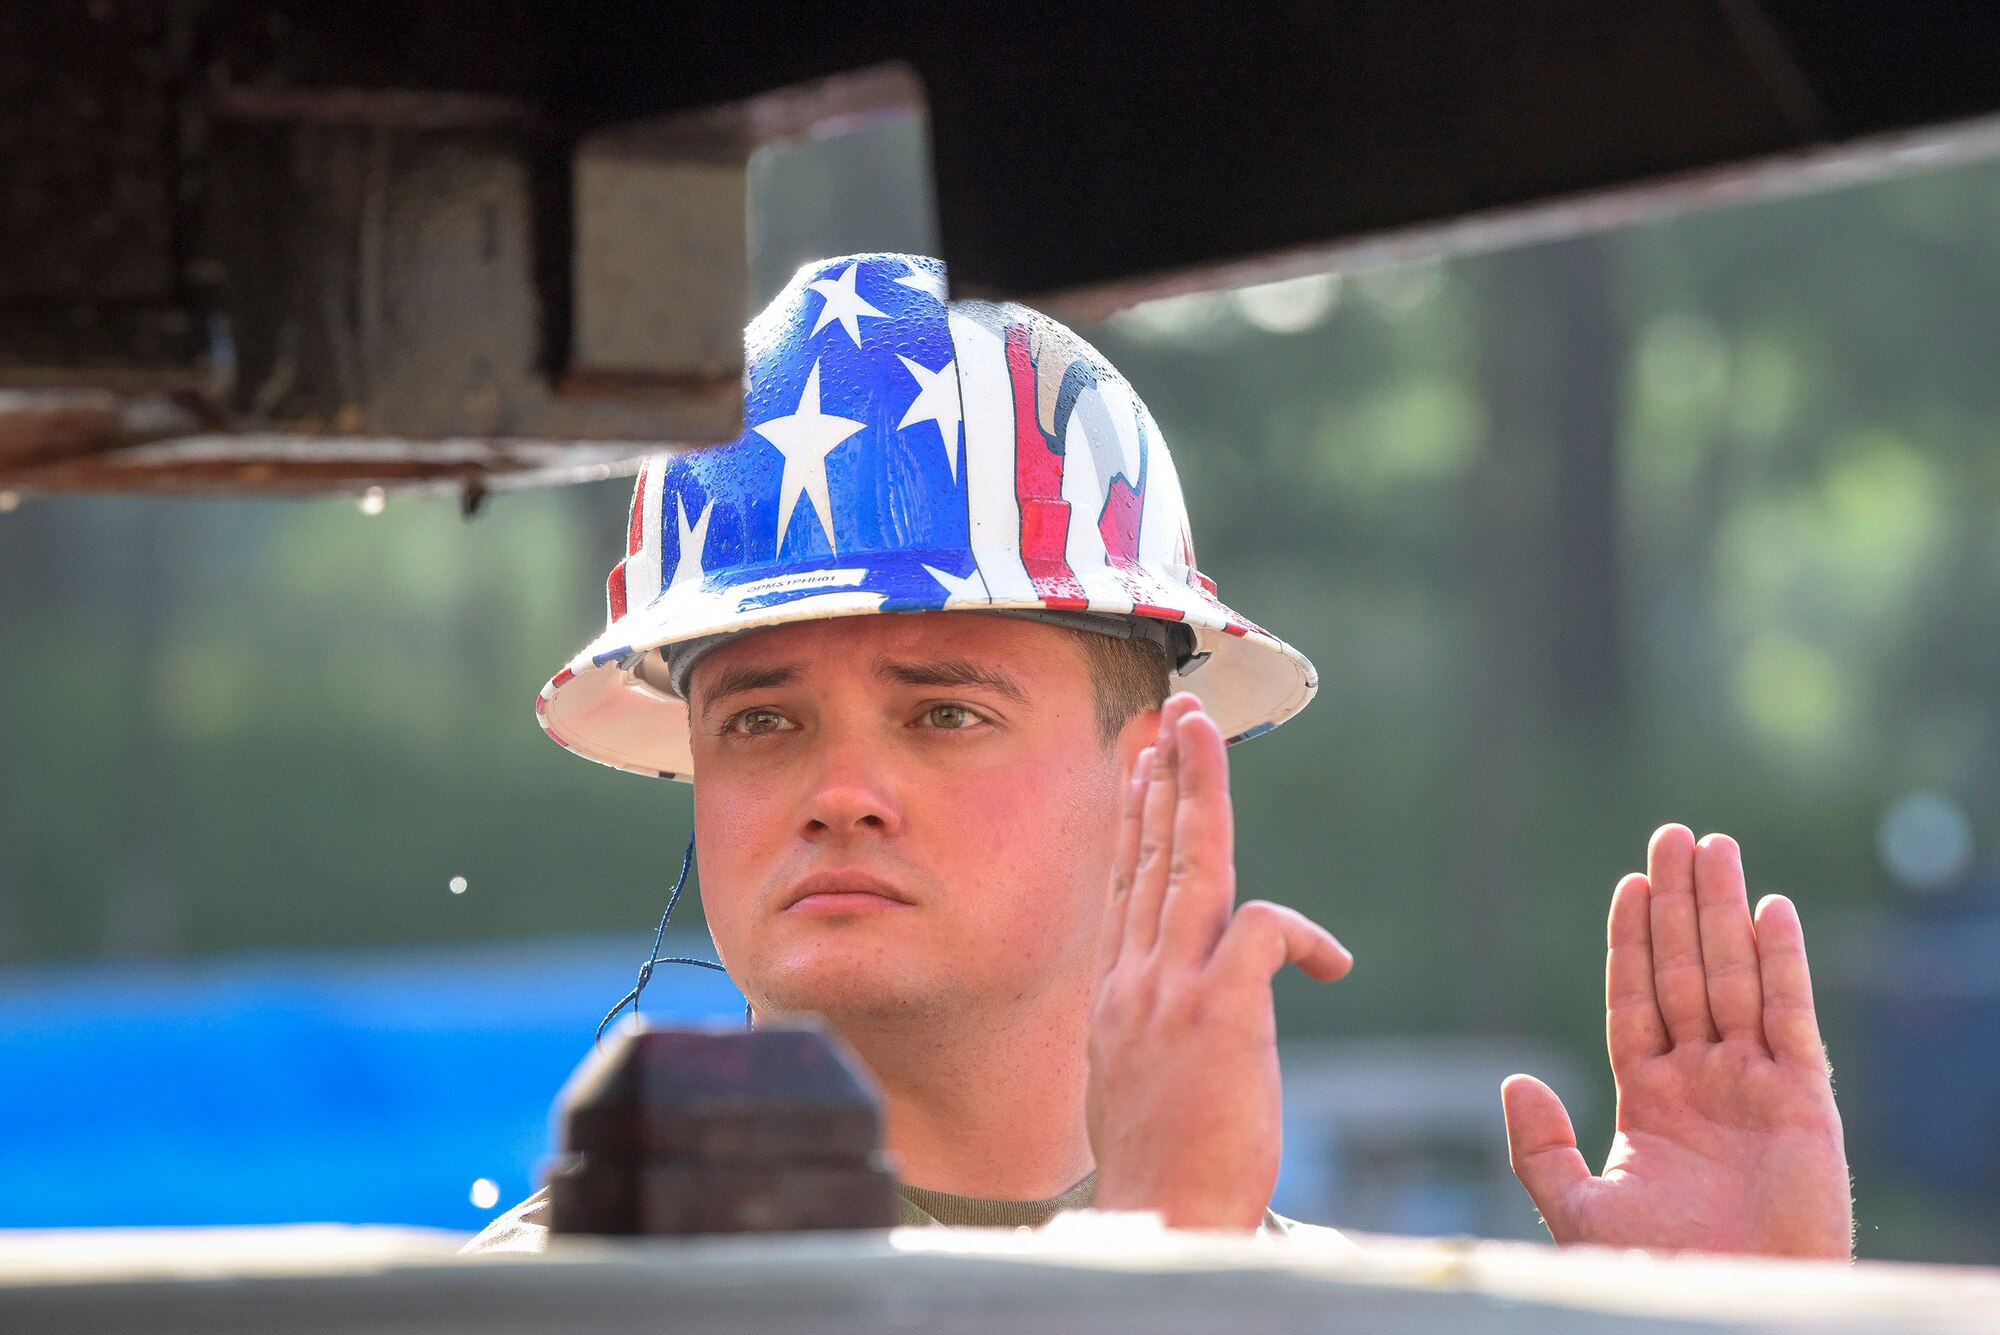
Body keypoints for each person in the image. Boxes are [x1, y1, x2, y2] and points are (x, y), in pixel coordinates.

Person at [468, 254, 1851, 1255]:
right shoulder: (544, 1310)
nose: (839, 795)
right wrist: (1162, 1276)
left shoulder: (1318, 1308)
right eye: (761, 721)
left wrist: (1725, 1327)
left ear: (1151, 781)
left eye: (945, 714)